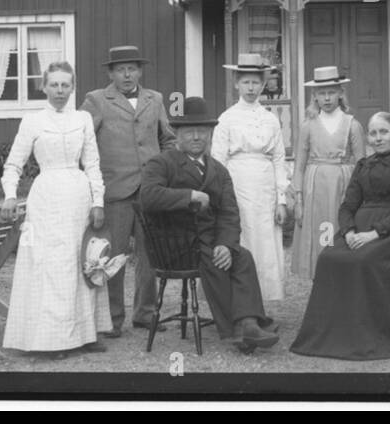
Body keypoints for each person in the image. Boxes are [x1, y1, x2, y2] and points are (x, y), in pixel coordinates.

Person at [291, 112, 390, 360]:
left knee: (362, 261)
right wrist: (350, 231)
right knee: (328, 257)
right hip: (359, 230)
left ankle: (367, 333)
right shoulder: (363, 165)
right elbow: (347, 206)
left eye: (383, 132)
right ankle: (339, 333)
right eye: (373, 133)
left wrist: (374, 234)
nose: (378, 138)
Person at [139, 97, 280, 352]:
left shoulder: (218, 170)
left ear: (210, 135)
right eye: (189, 131)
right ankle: (234, 329)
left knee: (242, 256)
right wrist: (189, 196)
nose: (196, 137)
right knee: (212, 258)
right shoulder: (162, 163)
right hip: (174, 244)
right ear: (177, 135)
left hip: (208, 241)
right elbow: (147, 196)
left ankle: (248, 323)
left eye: (202, 131)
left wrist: (226, 244)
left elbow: (229, 212)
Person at [0, 61, 111, 355]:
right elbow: (13, 164)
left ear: (73, 87)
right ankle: (51, 340)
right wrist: (10, 195)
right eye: (54, 85)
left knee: (83, 260)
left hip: (78, 195)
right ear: (44, 87)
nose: (60, 91)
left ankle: (85, 335)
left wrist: (97, 200)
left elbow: (93, 164)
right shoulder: (32, 121)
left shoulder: (84, 119)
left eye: (65, 85)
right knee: (49, 265)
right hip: (46, 196)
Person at [81, 45, 175, 338]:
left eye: (132, 68)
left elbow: (168, 139)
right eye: (120, 69)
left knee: (149, 256)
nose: (126, 74)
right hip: (115, 190)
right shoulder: (96, 100)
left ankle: (145, 314)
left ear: (140, 70)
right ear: (111, 73)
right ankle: (112, 318)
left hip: (150, 190)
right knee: (113, 256)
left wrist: (165, 173)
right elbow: (82, 142)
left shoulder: (155, 99)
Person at [211, 53, 289, 300]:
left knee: (265, 242)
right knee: (242, 237)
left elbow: (278, 159)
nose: (251, 87)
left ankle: (262, 300)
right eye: (246, 82)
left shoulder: (269, 119)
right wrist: (219, 198)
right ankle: (240, 301)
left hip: (265, 188)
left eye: (256, 82)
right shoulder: (226, 118)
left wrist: (281, 200)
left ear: (263, 84)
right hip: (237, 185)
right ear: (236, 83)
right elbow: (218, 162)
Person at [288, 66, 366, 279]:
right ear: (314, 96)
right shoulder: (308, 126)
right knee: (323, 232)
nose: (327, 98)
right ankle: (321, 278)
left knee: (340, 229)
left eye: (331, 92)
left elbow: (362, 166)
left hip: (343, 185)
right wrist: (298, 199)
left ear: (340, 93)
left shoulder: (352, 125)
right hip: (316, 190)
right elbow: (299, 166)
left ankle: (342, 279)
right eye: (322, 93)